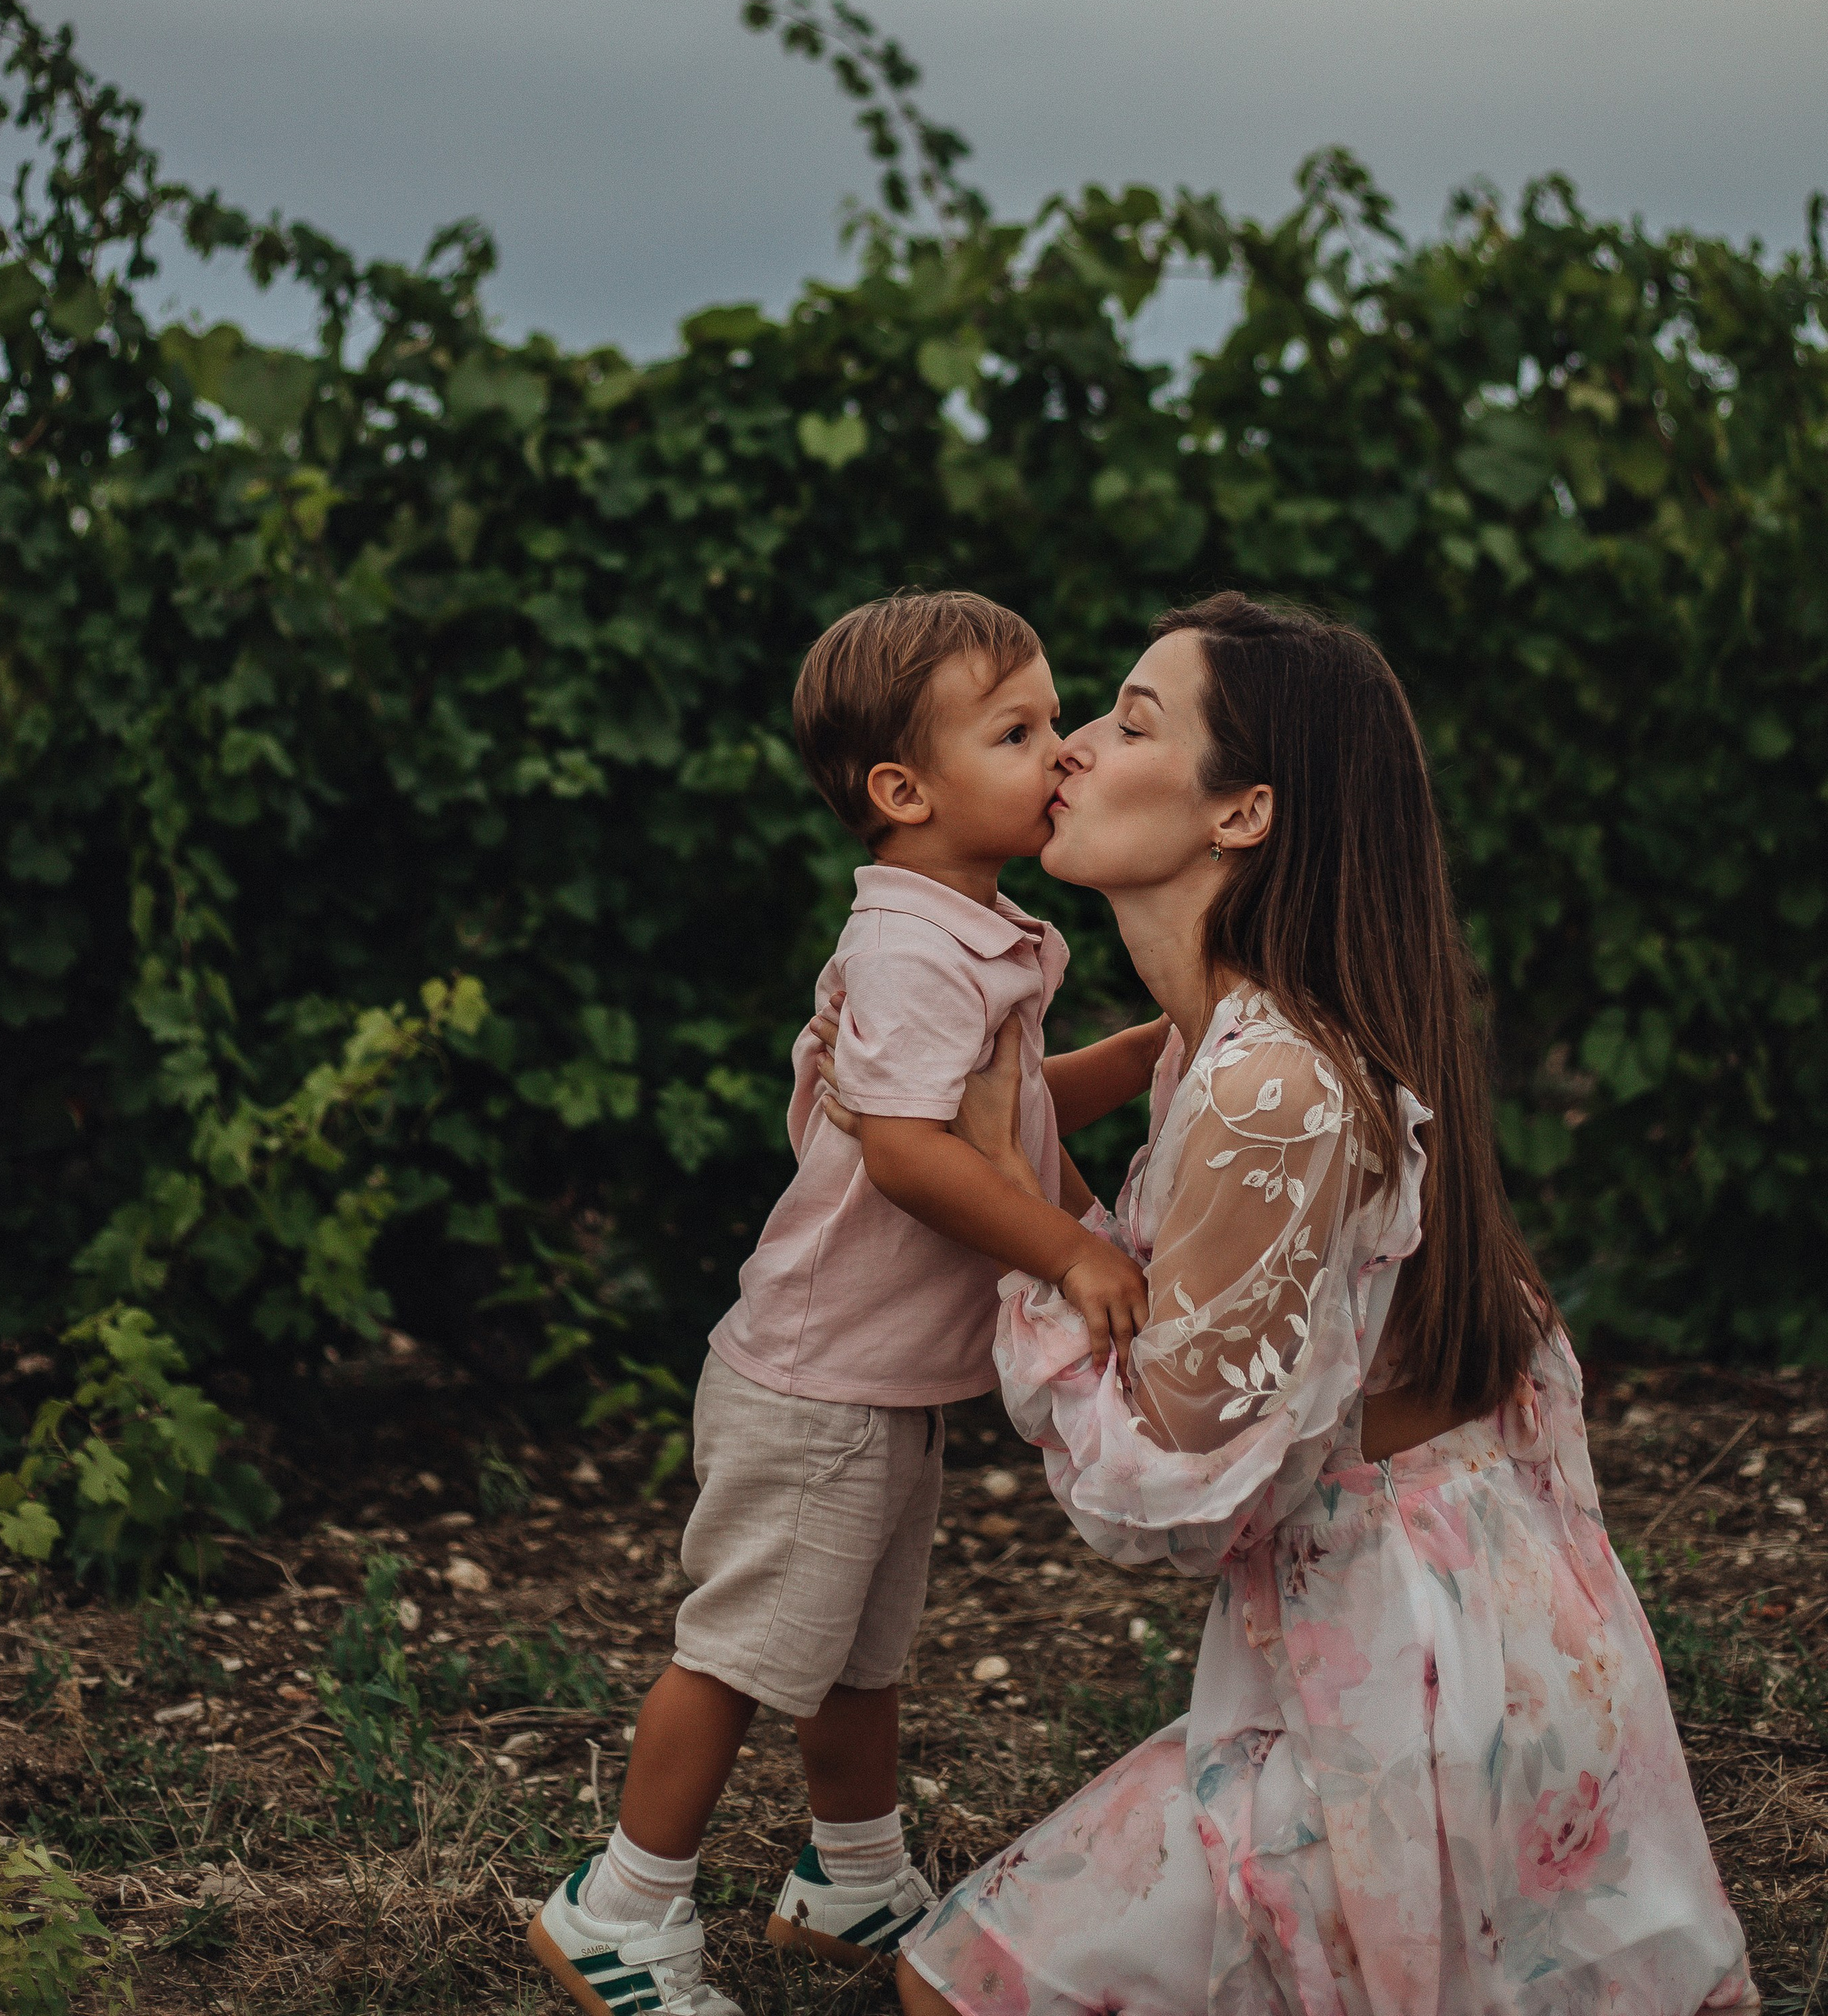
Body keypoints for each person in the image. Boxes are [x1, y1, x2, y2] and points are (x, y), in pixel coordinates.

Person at [887, 593, 1755, 2016]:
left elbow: (1169, 1491)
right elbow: (1173, 1326)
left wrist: (1013, 1213)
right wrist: (1009, 1175)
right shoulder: (1219, 1047)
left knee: (964, 1988)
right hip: (1403, 1647)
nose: (1073, 747)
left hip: (1420, 1697)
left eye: (1130, 723)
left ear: (1241, 814)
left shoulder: (1271, 1082)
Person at [529, 588, 1164, 2016]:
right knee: (737, 1657)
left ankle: (852, 1879)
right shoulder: (909, 951)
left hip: (878, 1384)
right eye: (1017, 731)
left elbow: (1002, 1123)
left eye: (1054, 716)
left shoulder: (968, 931)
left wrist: (1135, 1056)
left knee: (858, 1661)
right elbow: (909, 1155)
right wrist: (1071, 1255)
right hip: (815, 1385)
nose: (1062, 748)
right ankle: (620, 1908)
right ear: (903, 790)